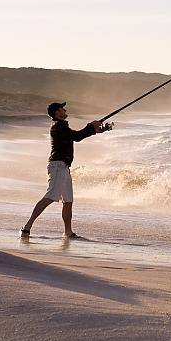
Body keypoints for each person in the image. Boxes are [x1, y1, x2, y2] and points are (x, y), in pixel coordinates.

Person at [22, 101, 107, 239]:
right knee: (50, 196)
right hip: (58, 166)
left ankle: (68, 232)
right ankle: (27, 227)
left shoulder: (60, 127)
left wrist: (93, 130)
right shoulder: (59, 126)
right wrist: (91, 127)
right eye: (62, 109)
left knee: (68, 201)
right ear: (57, 112)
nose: (65, 110)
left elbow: (75, 135)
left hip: (64, 167)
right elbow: (77, 137)